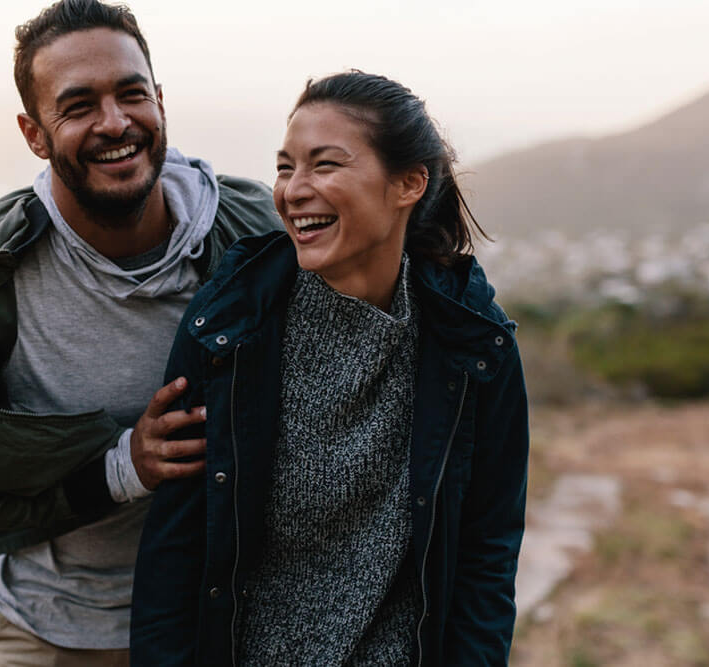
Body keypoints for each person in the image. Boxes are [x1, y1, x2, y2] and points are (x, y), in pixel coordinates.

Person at [0, 1, 280, 664]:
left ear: (159, 99)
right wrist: (121, 468)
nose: (115, 123)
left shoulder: (250, 231)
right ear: (33, 133)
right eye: (78, 106)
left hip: (212, 624)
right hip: (35, 628)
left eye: (132, 94)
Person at [130, 71, 530, 666]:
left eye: (325, 165)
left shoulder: (473, 345)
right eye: (286, 166)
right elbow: (176, 551)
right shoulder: (228, 328)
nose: (293, 190)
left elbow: (486, 555)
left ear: (408, 184)